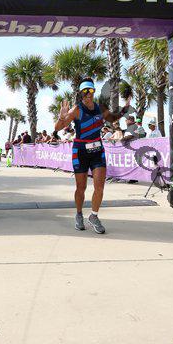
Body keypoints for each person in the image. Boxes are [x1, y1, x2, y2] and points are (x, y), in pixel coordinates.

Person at [55, 77, 131, 234]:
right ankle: (79, 214)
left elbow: (112, 118)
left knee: (100, 187)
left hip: (97, 151)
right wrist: (61, 117)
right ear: (81, 93)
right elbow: (58, 128)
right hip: (80, 151)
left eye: (91, 90)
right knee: (81, 187)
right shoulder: (76, 110)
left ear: (94, 91)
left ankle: (94, 216)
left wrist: (125, 108)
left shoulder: (100, 108)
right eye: (85, 91)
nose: (88, 93)